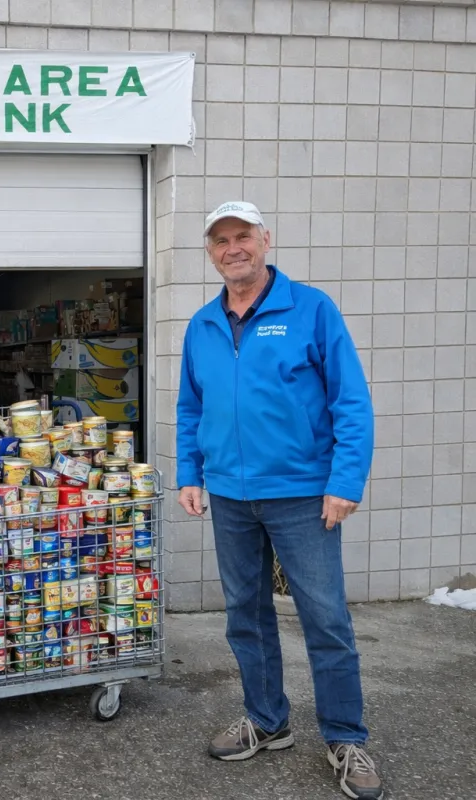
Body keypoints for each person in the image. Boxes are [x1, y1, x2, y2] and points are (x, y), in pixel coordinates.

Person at [176, 202, 380, 800]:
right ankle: (267, 722)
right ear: (211, 252)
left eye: (243, 236)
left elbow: (351, 402)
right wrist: (192, 472)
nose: (233, 248)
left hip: (300, 495)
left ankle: (346, 737)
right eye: (220, 241)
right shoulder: (202, 324)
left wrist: (345, 482)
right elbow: (192, 407)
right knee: (246, 615)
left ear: (265, 239)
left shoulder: (311, 310)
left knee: (326, 619)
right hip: (231, 497)